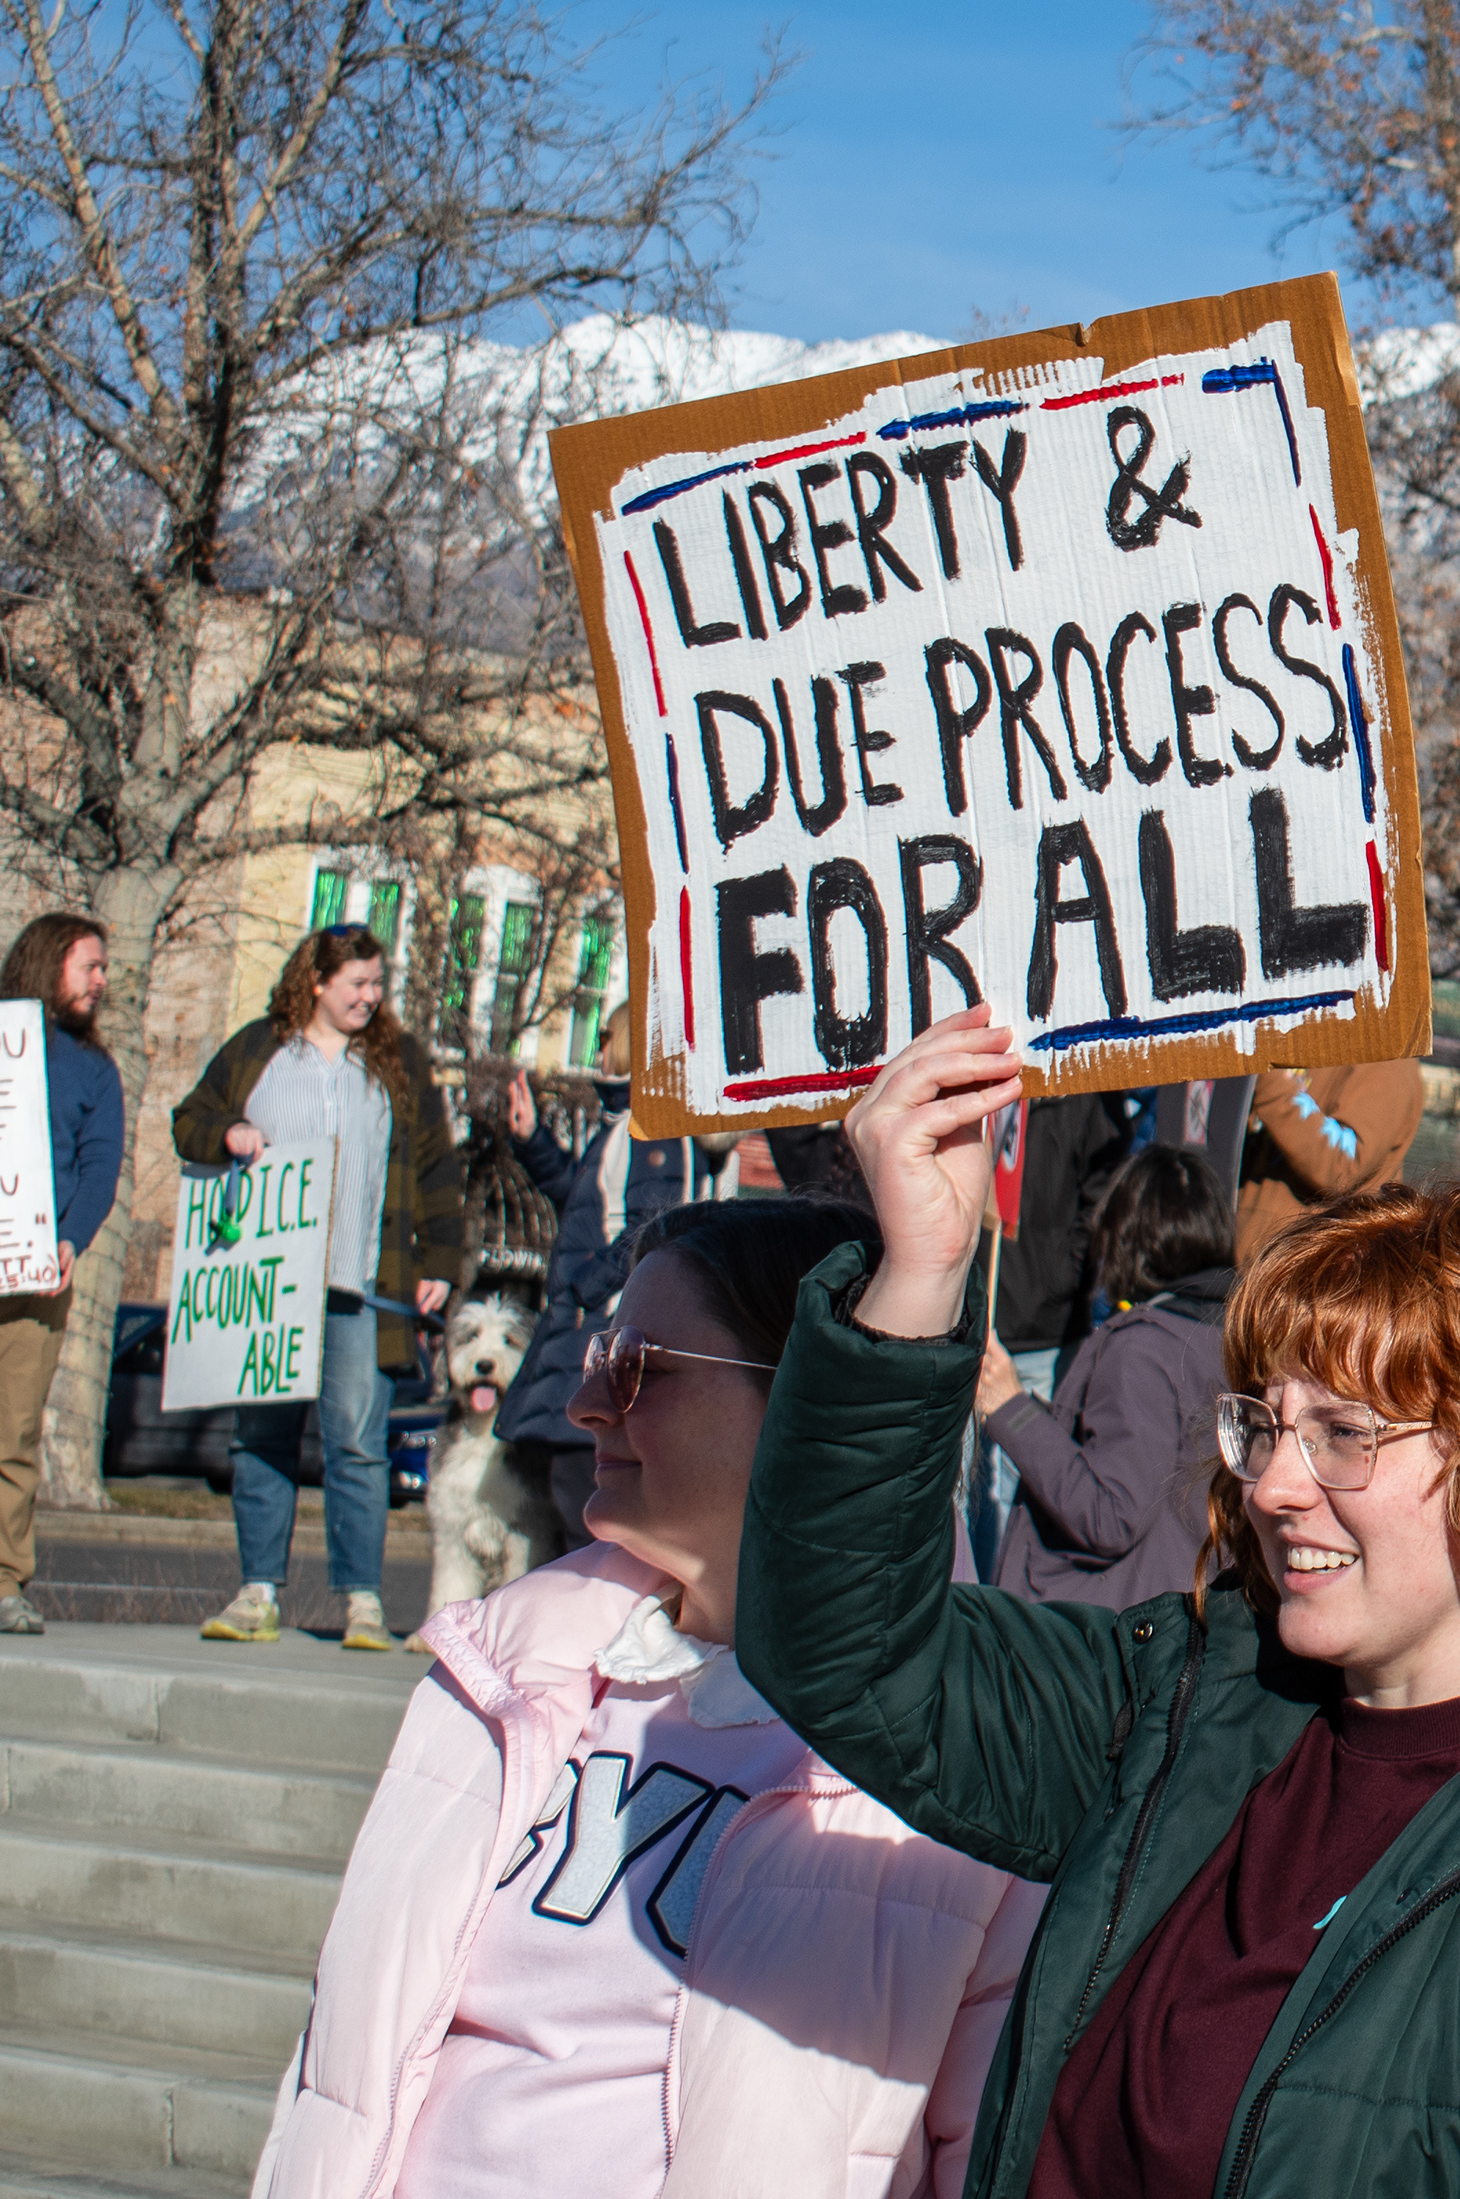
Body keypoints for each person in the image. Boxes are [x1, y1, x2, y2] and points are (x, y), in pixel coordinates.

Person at [733, 1008, 1460, 2199]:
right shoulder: (1183, 1702)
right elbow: (843, 1644)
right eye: (1264, 1425)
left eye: (1344, 1434)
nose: (1274, 1485)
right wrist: (922, 1269)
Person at [252, 1188, 1046, 2198]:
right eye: (597, 1360)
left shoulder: (980, 1764)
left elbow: (994, 2157)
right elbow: (342, 2080)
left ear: (814, 1400)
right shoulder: (502, 1676)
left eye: (639, 1371)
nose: (586, 1406)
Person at [177, 924, 464, 1651]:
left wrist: (439, 1262)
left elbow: (436, 1168)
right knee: (262, 1438)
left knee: (358, 1443)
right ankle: (257, 1593)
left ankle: (362, 1601)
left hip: (360, 1286)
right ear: (316, 982)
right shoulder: (256, 1051)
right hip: (272, 1284)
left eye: (377, 984)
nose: (370, 997)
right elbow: (191, 1121)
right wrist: (231, 1134)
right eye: (356, 984)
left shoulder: (399, 1062)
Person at [499, 1006, 748, 1552]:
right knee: (571, 1483)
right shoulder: (624, 1121)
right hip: (586, 1321)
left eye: (604, 1036)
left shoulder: (651, 1122)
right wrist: (534, 1142)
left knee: (581, 1486)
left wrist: (584, 1288)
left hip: (600, 1325)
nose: (596, 1049)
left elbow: (651, 1223)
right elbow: (589, 1207)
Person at [978, 1143, 1241, 1610]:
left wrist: (1010, 1408)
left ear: (1123, 1235)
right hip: (1177, 1611)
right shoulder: (1230, 1335)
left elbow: (1110, 1515)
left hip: (1104, 1629)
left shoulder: (1143, 1347)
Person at [0, 914, 120, 1636]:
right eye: (90, 967)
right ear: (49, 965)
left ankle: (5, 1581)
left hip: (36, 1274)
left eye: (104, 969)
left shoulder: (94, 1069)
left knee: (12, 1433)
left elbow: (101, 1163)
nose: (102, 982)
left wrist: (72, 1238)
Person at [972, 1092, 1137, 1578]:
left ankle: (1008, 1618)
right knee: (964, 1491)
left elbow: (1106, 1187)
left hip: (1046, 1330)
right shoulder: (971, 1078)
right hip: (967, 1322)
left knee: (1026, 1490)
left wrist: (1066, 1280)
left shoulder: (1082, 1085)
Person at [1234, 1061, 1425, 1261]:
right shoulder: (1315, 1041)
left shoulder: (1390, 1061)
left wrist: (1270, 1081)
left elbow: (1342, 1166)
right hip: (1243, 1255)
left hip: (1305, 1270)